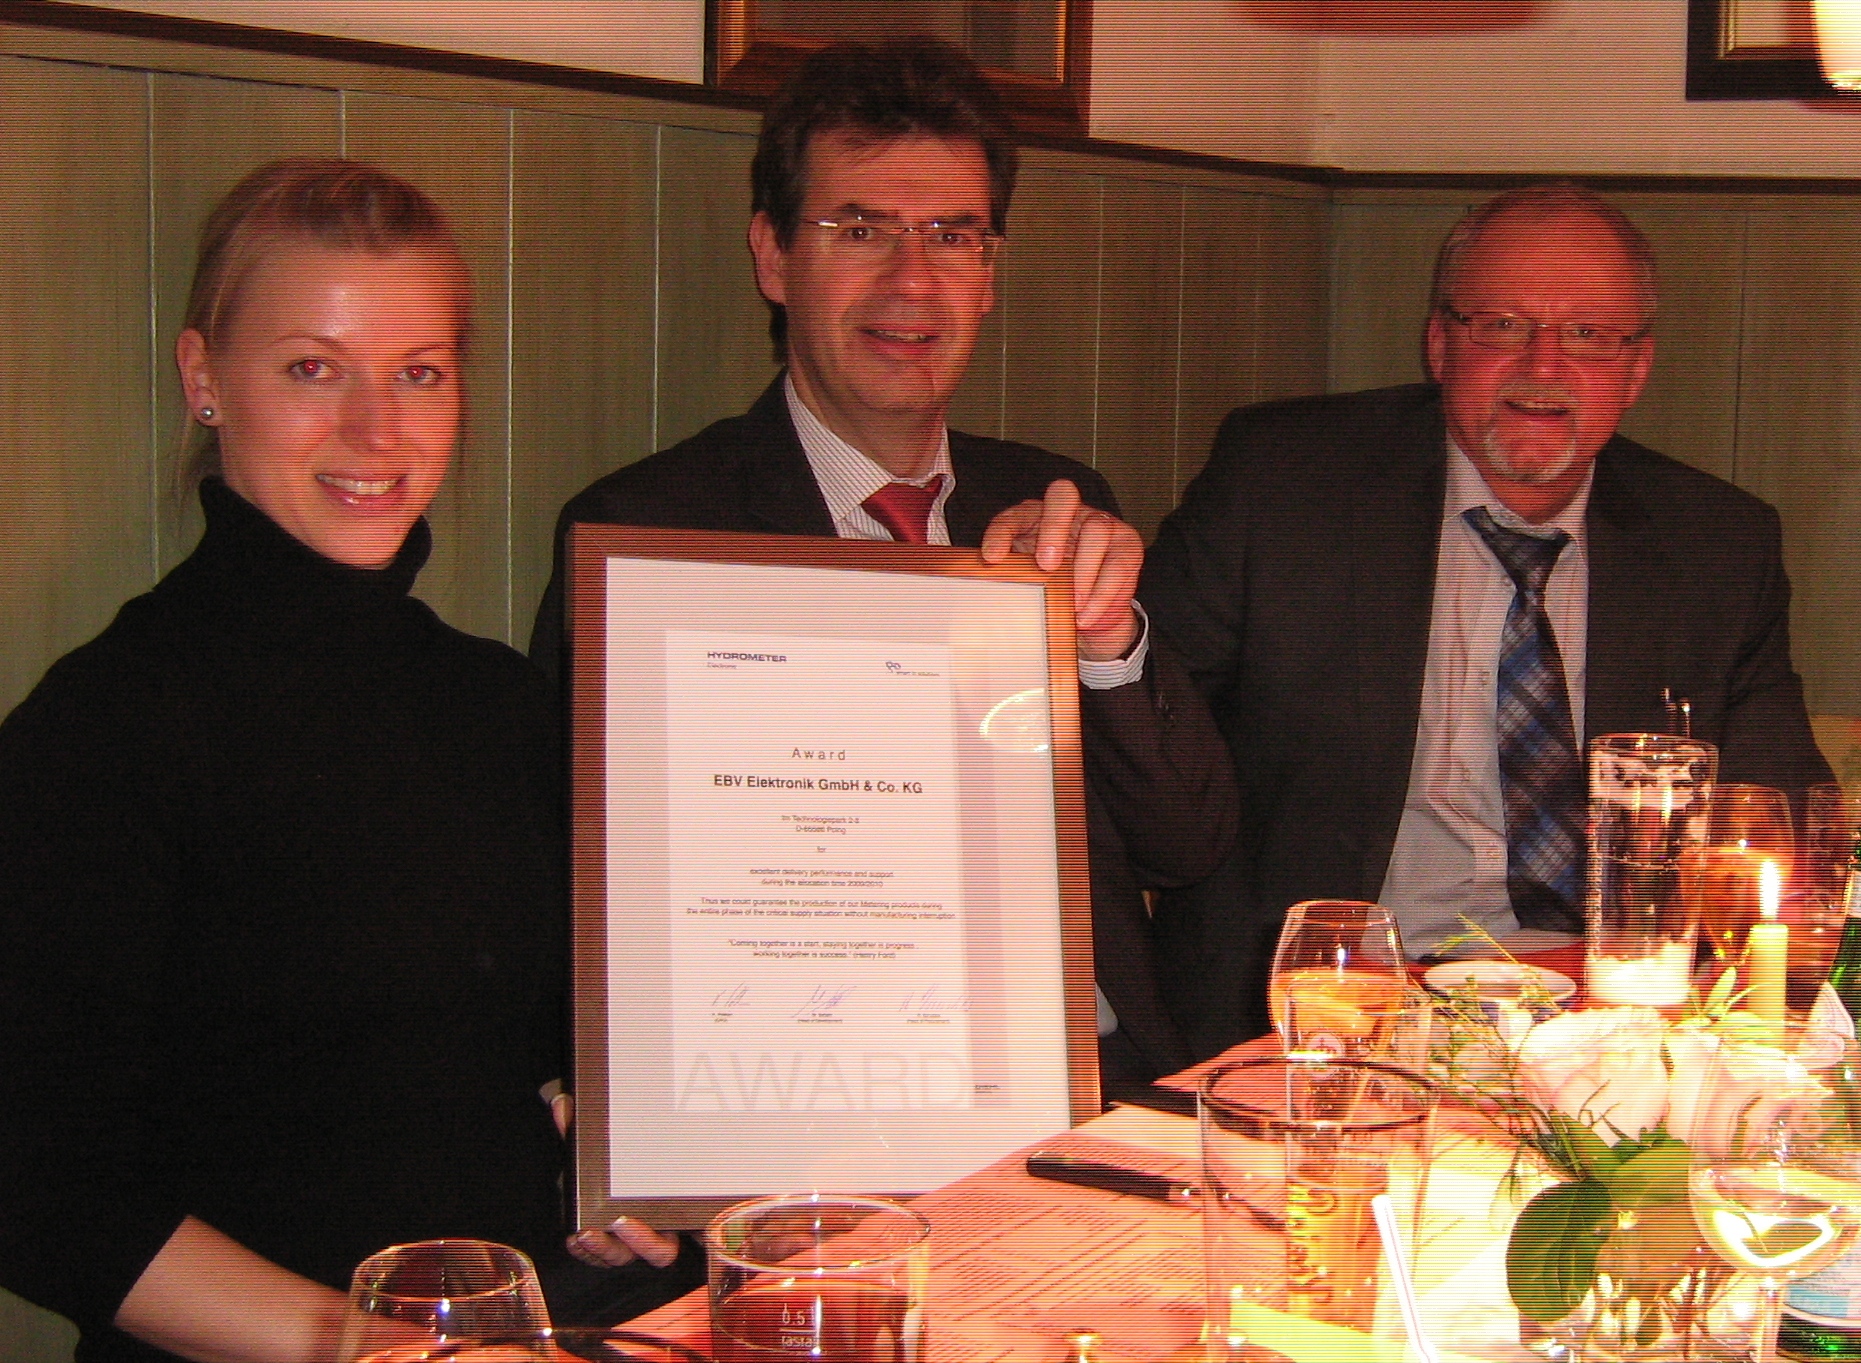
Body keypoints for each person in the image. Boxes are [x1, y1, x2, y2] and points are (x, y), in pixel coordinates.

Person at [0, 159, 693, 1363]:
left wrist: (605, 1156)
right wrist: (367, 1344)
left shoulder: (499, 702)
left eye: (418, 372)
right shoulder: (106, 726)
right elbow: (35, 1183)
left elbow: (516, 1051)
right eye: (313, 369)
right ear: (204, 379)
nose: (377, 430)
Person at [528, 37, 1236, 1095]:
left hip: (1085, 1074)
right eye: (859, 230)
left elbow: (1187, 845)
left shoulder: (1053, 507)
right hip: (804, 1087)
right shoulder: (653, 537)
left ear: (988, 275)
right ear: (773, 257)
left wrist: (1106, 643)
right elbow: (575, 893)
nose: (912, 281)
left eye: (951, 236)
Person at [1140, 181, 1834, 1056]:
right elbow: (1141, 729)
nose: (1543, 366)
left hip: (1609, 1015)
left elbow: (1780, 820)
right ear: (1439, 343)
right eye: (1502, 325)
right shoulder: (1281, 485)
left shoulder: (1717, 543)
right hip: (1336, 1001)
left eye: (1587, 334)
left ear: (1636, 369)